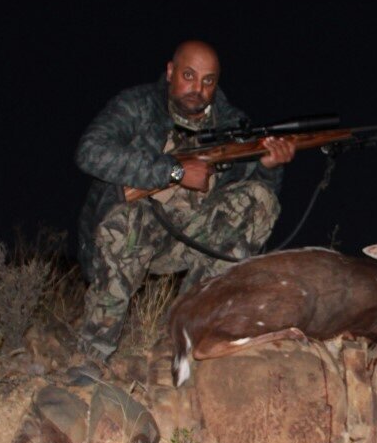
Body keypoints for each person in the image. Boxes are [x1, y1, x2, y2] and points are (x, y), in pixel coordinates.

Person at [74, 40, 295, 362]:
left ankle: (190, 337)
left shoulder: (232, 123)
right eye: (189, 76)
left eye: (208, 81)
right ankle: (91, 357)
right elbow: (90, 151)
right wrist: (173, 171)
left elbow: (249, 193)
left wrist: (269, 168)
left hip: (192, 238)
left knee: (260, 199)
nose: (198, 88)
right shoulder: (137, 105)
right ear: (169, 71)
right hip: (132, 235)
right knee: (127, 221)